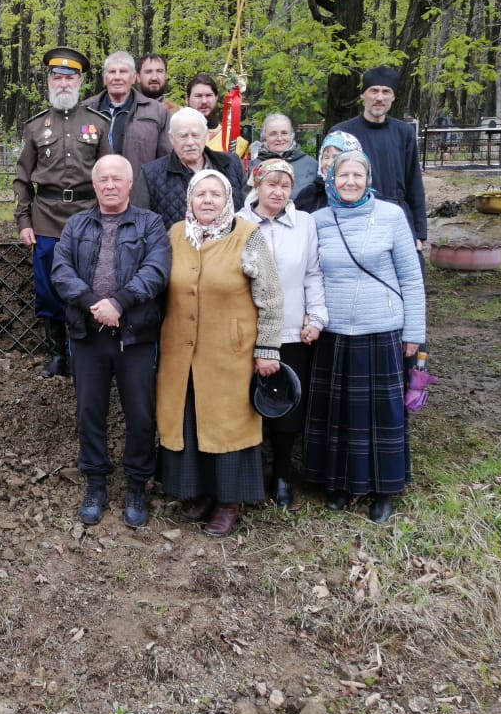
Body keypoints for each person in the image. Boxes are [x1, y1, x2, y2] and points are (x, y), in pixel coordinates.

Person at [156, 169, 284, 537]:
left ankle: (229, 502)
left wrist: (267, 348)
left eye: (215, 194)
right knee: (191, 422)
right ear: (190, 200)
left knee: (227, 425)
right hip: (181, 352)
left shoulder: (248, 236)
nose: (207, 201)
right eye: (200, 194)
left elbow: (271, 298)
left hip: (231, 354)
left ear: (227, 199)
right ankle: (200, 492)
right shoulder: (176, 234)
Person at [303, 151, 426, 523]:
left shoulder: (391, 216)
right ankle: (338, 484)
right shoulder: (318, 220)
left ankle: (384, 489)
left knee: (381, 416)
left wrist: (415, 331)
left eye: (358, 175)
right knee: (338, 415)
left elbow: (411, 277)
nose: (351, 182)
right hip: (334, 331)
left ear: (368, 178)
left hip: (382, 328)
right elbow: (310, 274)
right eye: (344, 175)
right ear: (332, 180)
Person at [51, 155, 170, 528]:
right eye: (103, 179)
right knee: (89, 413)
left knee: (140, 414)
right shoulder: (76, 225)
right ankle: (96, 483)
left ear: (130, 183)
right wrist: (93, 304)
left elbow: (157, 270)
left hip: (135, 335)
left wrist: (120, 302)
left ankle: (136, 485)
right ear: (95, 184)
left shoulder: (151, 224)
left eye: (117, 178)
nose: (110, 185)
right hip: (88, 334)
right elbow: (61, 270)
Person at [237, 159, 328, 510]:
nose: (277, 191)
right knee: (247, 404)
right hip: (247, 331)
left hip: (291, 329)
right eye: (270, 184)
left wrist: (316, 317)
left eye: (285, 185)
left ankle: (282, 476)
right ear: (256, 186)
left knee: (286, 405)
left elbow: (313, 273)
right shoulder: (239, 222)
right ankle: (249, 474)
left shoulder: (303, 224)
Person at [11, 46, 97, 379]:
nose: (63, 83)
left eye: (69, 77)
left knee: (87, 284)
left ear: (79, 82)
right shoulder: (35, 127)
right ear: (49, 81)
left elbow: (109, 172)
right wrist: (23, 221)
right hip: (46, 218)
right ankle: (58, 355)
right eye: (57, 77)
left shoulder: (96, 124)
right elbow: (21, 179)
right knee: (48, 288)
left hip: (88, 217)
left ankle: (83, 355)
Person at [326, 66, 426, 249]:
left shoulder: (404, 133)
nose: (379, 97)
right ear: (363, 95)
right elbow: (328, 181)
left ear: (393, 97)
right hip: (354, 217)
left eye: (386, 92)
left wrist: (419, 232)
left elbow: (414, 183)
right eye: (374, 91)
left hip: (398, 216)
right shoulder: (342, 132)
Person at [133, 107, 245, 229]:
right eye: (183, 136)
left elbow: (248, 213)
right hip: (175, 246)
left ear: (206, 135)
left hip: (228, 245)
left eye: (195, 135)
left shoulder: (232, 164)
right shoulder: (151, 174)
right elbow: (141, 224)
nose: (190, 142)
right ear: (171, 139)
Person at [81, 50, 171, 180]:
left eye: (123, 72)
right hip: (93, 195)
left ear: (134, 77)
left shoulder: (157, 112)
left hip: (139, 194)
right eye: (112, 72)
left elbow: (165, 160)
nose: (117, 77)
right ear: (105, 78)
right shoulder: (86, 110)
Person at [292, 130, 362, 214]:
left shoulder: (362, 194)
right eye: (326, 157)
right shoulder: (310, 194)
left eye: (336, 157)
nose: (329, 163)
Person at [186, 73, 249, 161]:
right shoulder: (177, 136)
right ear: (187, 99)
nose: (204, 101)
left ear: (216, 98)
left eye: (209, 95)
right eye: (198, 96)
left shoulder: (236, 141)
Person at [252, 113, 316, 196]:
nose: (279, 138)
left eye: (284, 133)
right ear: (265, 137)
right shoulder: (254, 166)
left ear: (291, 135)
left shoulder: (311, 164)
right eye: (273, 134)